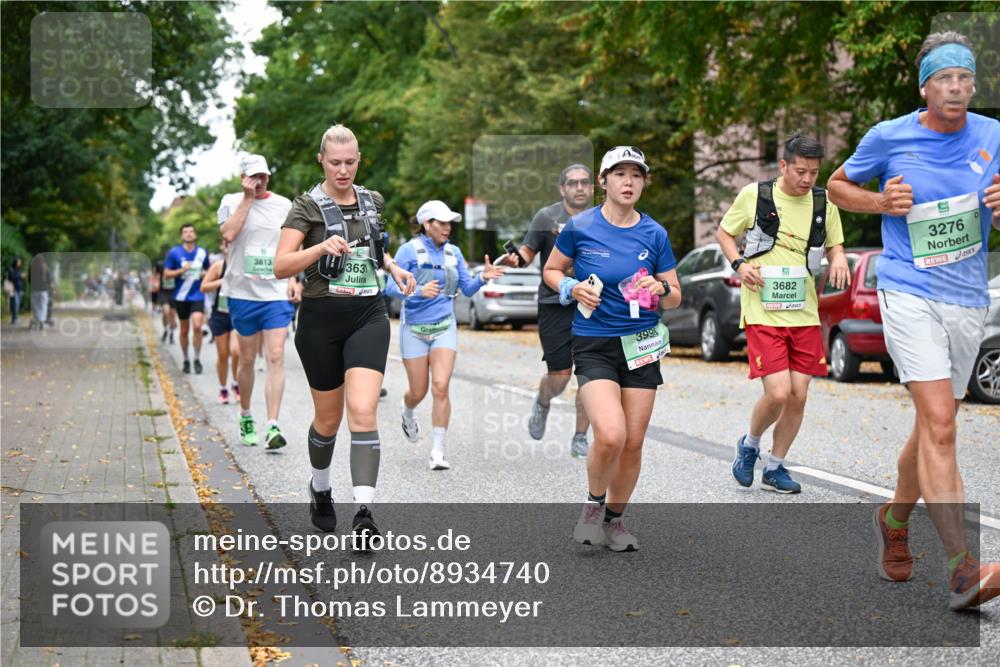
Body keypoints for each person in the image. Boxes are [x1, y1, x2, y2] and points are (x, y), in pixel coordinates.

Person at [827, 31, 999, 611]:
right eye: (944, 79)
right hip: (907, 290)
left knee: (933, 424)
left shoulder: (994, 137)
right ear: (925, 87)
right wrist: (881, 202)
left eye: (965, 78)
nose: (956, 88)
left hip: (967, 298)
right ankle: (962, 569)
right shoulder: (889, 136)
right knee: (941, 424)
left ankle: (894, 519)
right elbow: (837, 186)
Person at [274, 124, 415, 541]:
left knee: (363, 410)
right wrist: (321, 247)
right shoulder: (305, 207)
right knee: (328, 419)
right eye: (335, 162)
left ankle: (364, 513)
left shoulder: (372, 201)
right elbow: (281, 265)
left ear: (359, 160)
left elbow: (373, 248)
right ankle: (320, 489)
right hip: (320, 320)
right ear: (321, 160)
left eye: (350, 162)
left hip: (368, 314)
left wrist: (393, 266)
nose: (343, 170)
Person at [544, 146, 681, 552]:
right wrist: (571, 287)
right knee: (611, 434)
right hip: (595, 343)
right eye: (620, 174)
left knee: (633, 442)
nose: (628, 182)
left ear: (643, 182)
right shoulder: (580, 226)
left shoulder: (654, 234)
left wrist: (661, 287)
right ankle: (593, 505)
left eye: (636, 175)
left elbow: (675, 295)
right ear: (603, 182)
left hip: (641, 345)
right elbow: (552, 270)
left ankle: (615, 521)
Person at [717, 133, 849, 494]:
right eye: (800, 171)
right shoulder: (756, 195)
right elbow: (725, 234)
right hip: (763, 309)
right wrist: (740, 264)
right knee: (777, 393)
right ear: (783, 165)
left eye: (814, 173)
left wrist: (838, 259)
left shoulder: (822, 202)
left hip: (804, 311)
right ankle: (749, 445)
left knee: (798, 395)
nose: (807, 179)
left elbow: (836, 245)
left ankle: (775, 467)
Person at [387, 200, 505, 470]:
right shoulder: (408, 250)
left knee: (440, 386)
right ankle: (408, 411)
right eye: (441, 223)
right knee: (418, 392)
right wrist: (418, 291)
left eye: (450, 223)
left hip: (444, 326)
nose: (447, 228)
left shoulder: (454, 252)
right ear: (427, 224)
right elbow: (389, 287)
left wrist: (483, 278)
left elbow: (467, 288)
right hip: (414, 329)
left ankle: (437, 451)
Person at [498, 165, 594, 458]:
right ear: (562, 189)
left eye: (585, 183)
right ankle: (543, 401)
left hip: (591, 303)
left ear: (592, 188)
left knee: (591, 374)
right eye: (573, 183)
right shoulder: (547, 217)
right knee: (560, 375)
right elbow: (527, 254)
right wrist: (516, 259)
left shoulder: (601, 218)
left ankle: (580, 437)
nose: (579, 188)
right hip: (554, 304)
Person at [218, 154, 301, 449]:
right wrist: (247, 198)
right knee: (247, 359)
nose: (260, 181)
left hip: (275, 293)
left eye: (263, 175)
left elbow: (293, 244)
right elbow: (228, 234)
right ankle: (246, 415)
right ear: (243, 178)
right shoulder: (231, 201)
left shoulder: (284, 205)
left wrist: (293, 279)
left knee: (275, 355)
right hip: (242, 293)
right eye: (254, 176)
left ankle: (272, 424)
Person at [163, 224, 211, 374]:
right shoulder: (174, 253)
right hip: (181, 296)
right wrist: (181, 270)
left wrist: (205, 275)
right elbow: (166, 274)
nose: (189, 234)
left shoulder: (202, 252)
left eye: (191, 231)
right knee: (184, 330)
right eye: (185, 232)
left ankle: (196, 358)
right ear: (181, 236)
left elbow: (210, 271)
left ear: (195, 235)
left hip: (198, 294)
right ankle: (186, 359)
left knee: (197, 326)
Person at [200, 240, 241, 404]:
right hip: (220, 315)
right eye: (226, 245)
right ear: (222, 248)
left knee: (236, 351)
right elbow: (204, 287)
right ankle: (223, 388)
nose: (229, 248)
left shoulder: (243, 265)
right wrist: (222, 282)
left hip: (238, 313)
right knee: (223, 354)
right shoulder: (218, 266)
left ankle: (235, 383)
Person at [154, 258, 177, 343]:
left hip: (174, 293)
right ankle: (166, 329)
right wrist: (156, 282)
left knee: (173, 314)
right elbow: (156, 274)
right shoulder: (160, 264)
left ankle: (171, 334)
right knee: (166, 312)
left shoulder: (177, 265)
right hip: (163, 292)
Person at [29, 254, 52, 331]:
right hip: (43, 289)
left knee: (35, 307)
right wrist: (50, 285)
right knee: (43, 306)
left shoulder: (32, 267)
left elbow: (29, 279)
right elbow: (49, 278)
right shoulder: (45, 267)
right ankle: (42, 322)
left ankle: (36, 321)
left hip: (34, 289)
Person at [6, 258, 25, 325]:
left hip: (19, 289)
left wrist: (22, 290)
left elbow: (21, 281)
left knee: (18, 304)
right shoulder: (11, 269)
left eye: (20, 262)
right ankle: (14, 319)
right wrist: (20, 275)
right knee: (15, 304)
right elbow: (11, 277)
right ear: (15, 262)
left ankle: (16, 318)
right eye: (18, 262)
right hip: (13, 289)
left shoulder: (19, 270)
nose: (19, 263)